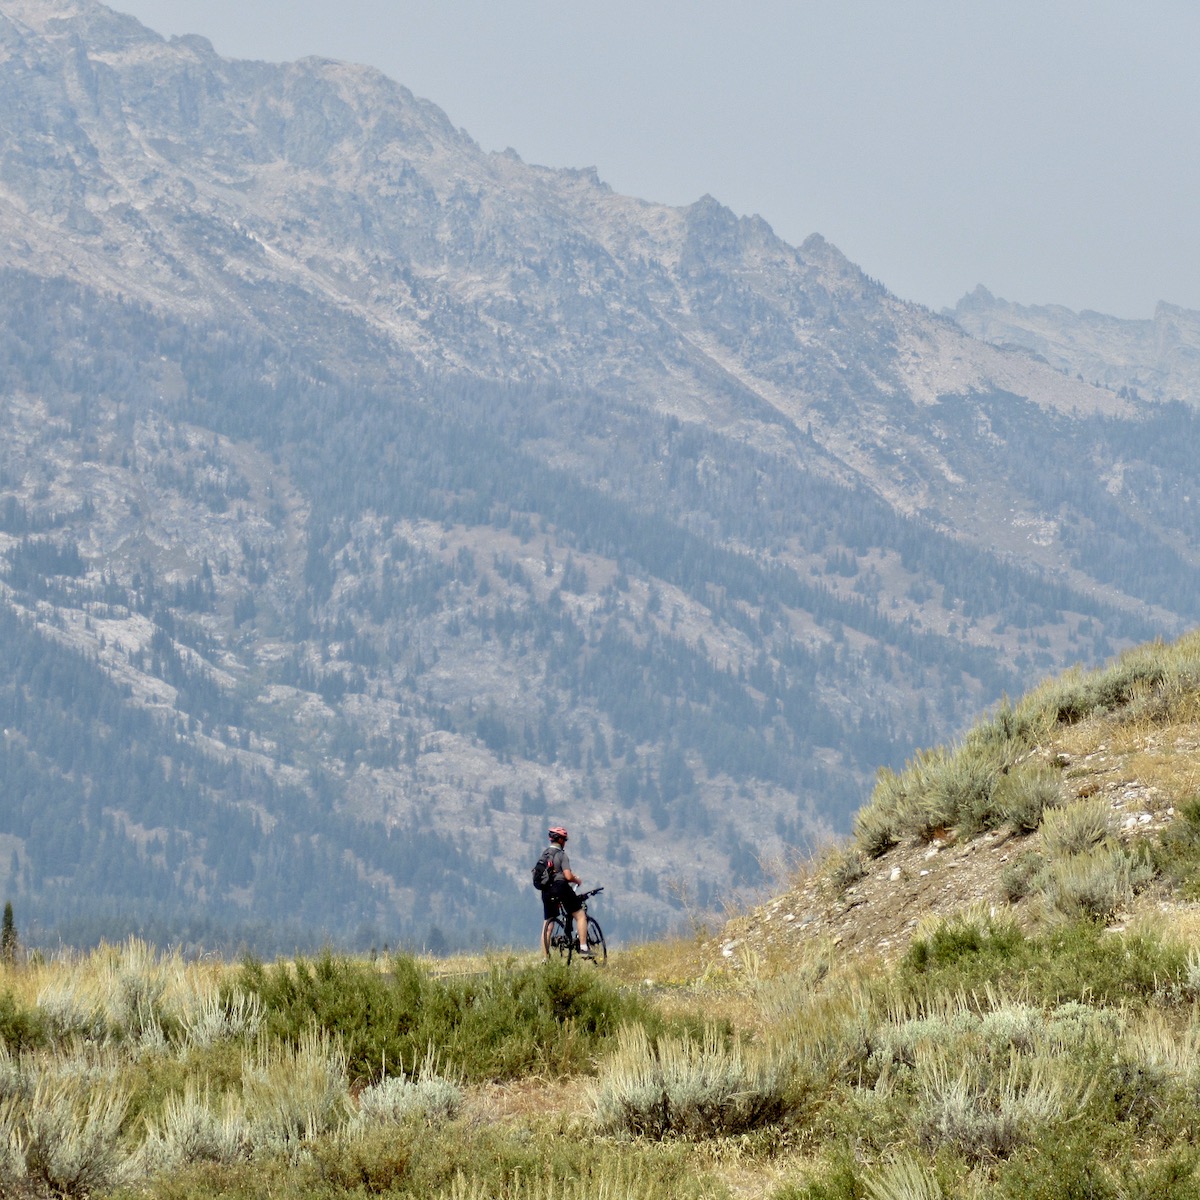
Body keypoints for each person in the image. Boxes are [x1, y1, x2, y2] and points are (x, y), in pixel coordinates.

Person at [540, 825, 592, 959]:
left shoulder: (544, 855)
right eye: (565, 840)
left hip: (546, 890)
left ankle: (545, 958)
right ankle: (583, 948)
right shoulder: (561, 855)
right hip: (560, 887)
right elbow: (568, 876)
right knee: (580, 915)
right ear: (561, 840)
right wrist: (577, 880)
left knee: (548, 924)